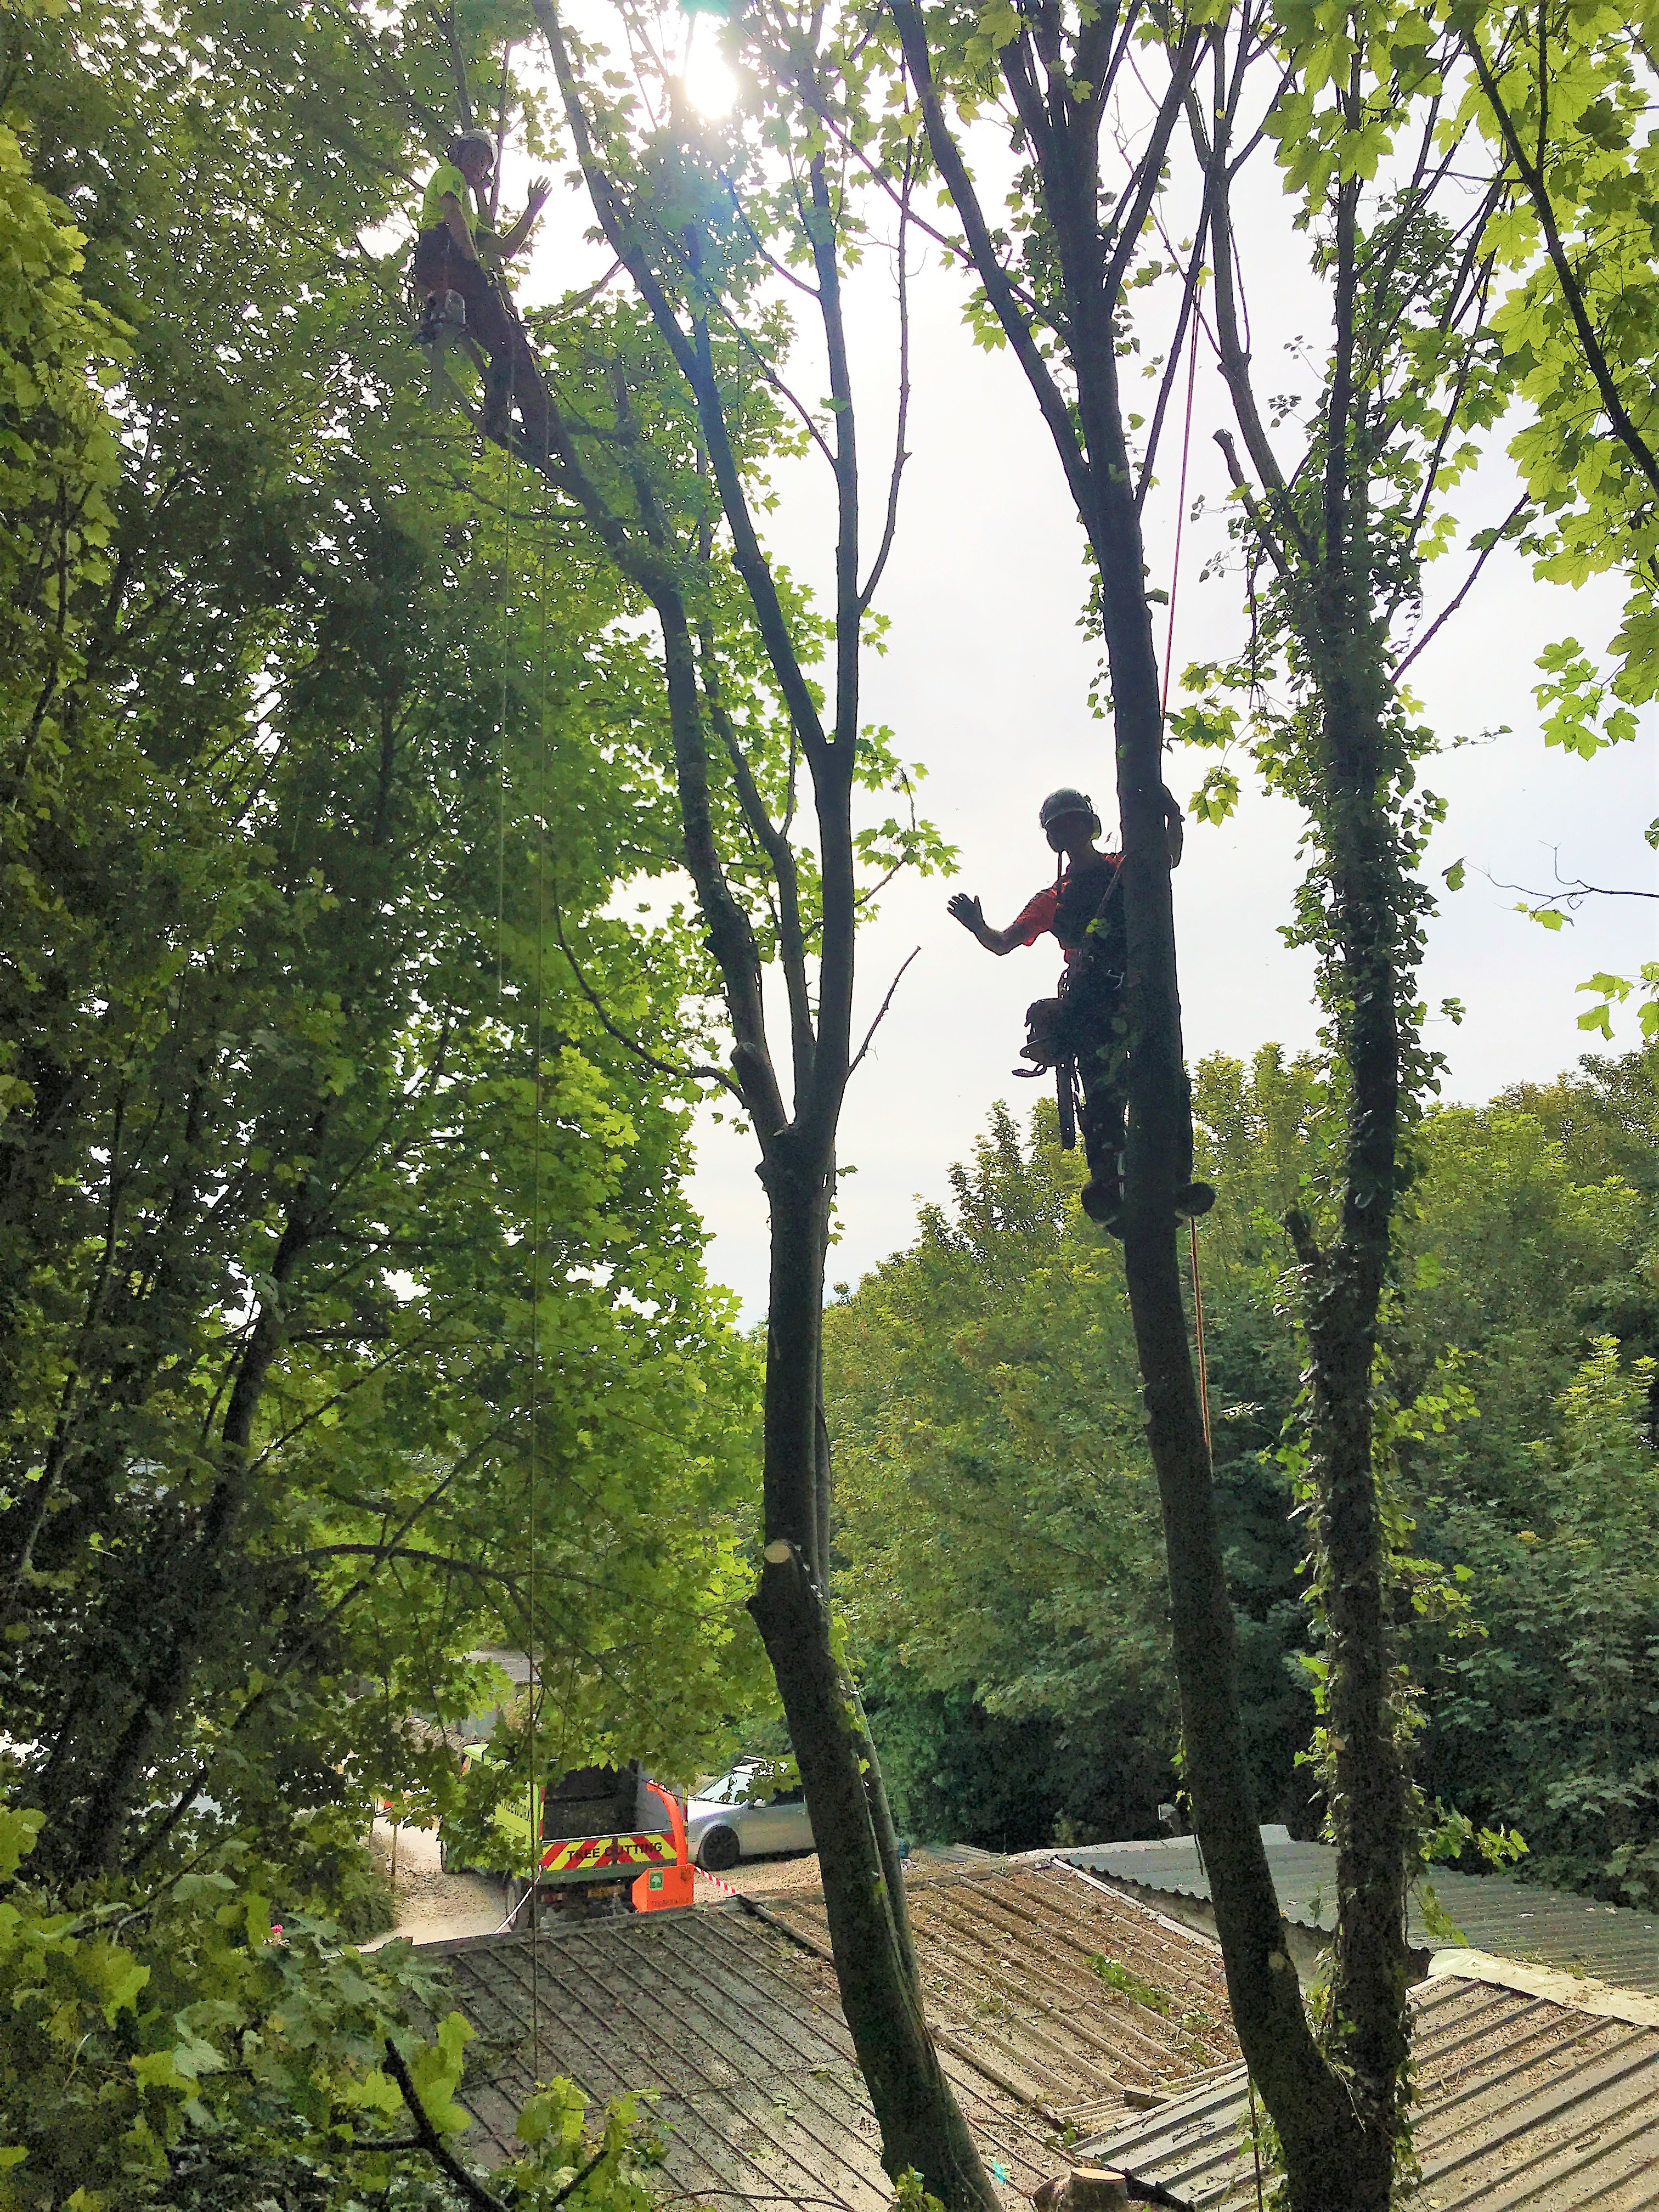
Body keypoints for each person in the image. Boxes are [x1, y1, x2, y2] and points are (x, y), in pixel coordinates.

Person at [948, 787, 1212, 1229]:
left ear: (1089, 825)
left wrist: (1172, 817)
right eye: (1060, 827)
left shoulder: (1124, 867)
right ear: (1053, 838)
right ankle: (1107, 1184)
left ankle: (1177, 1180)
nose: (1067, 831)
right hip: (1091, 1001)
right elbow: (1002, 943)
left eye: (1073, 822)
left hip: (1141, 990)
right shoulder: (1054, 897)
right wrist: (978, 928)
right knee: (1102, 1090)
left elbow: (1168, 859)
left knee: (1168, 1080)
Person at [414, 130, 554, 458]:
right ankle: (505, 418)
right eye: (475, 157)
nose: (479, 165)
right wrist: (472, 261)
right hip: (447, 258)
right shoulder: (449, 175)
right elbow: (453, 217)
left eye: (485, 161)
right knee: (509, 341)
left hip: (451, 270)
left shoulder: (472, 218)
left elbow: (507, 248)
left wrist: (532, 210)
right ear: (460, 155)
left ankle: (499, 416)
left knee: (507, 346)